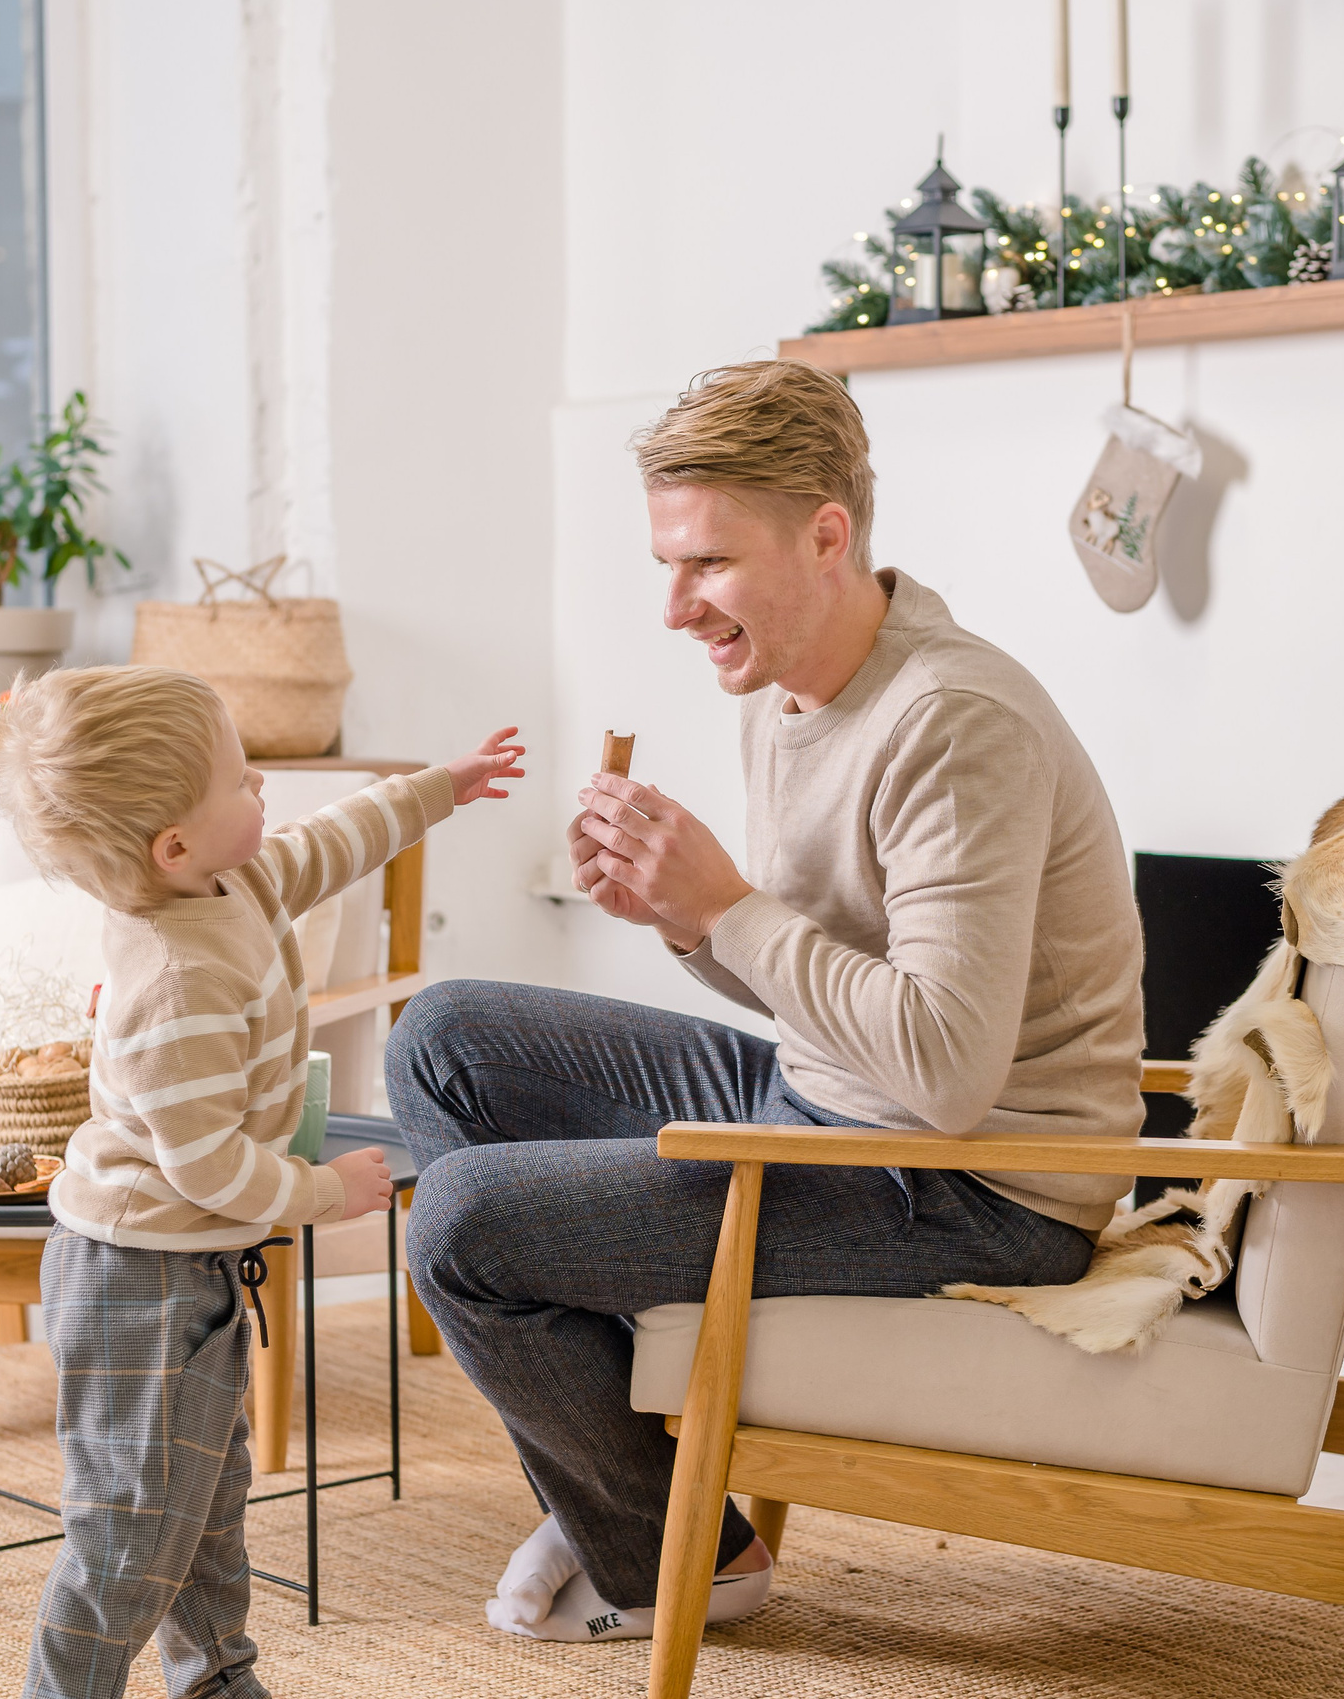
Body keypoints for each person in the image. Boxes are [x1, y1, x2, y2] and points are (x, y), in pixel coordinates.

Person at [390, 359, 1144, 1644]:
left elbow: (948, 1073)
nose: (679, 607)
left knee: (462, 1219)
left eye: (708, 565)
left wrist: (727, 903)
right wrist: (677, 914)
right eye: (667, 566)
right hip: (827, 1099)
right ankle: (624, 1483)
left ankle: (660, 1546)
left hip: (976, 1180)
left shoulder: (952, 719)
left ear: (827, 535)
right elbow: (820, 976)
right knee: (443, 1035)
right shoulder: (789, 685)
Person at [0, 664, 524, 1699]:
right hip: (131, 1279)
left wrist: (438, 788)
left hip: (188, 1262)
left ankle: (215, 1676)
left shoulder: (233, 879)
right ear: (173, 845)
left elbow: (333, 842)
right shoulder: (173, 980)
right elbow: (207, 1163)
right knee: (129, 1524)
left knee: (205, 1495)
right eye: (240, 778)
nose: (264, 787)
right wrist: (323, 1188)